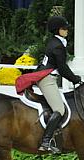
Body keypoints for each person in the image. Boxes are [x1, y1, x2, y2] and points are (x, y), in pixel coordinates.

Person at [33, 16, 81, 153]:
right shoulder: (58, 46)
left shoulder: (55, 41)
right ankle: (46, 141)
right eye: (64, 28)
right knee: (59, 109)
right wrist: (75, 79)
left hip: (47, 77)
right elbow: (62, 68)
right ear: (57, 30)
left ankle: (54, 141)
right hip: (47, 79)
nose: (67, 30)